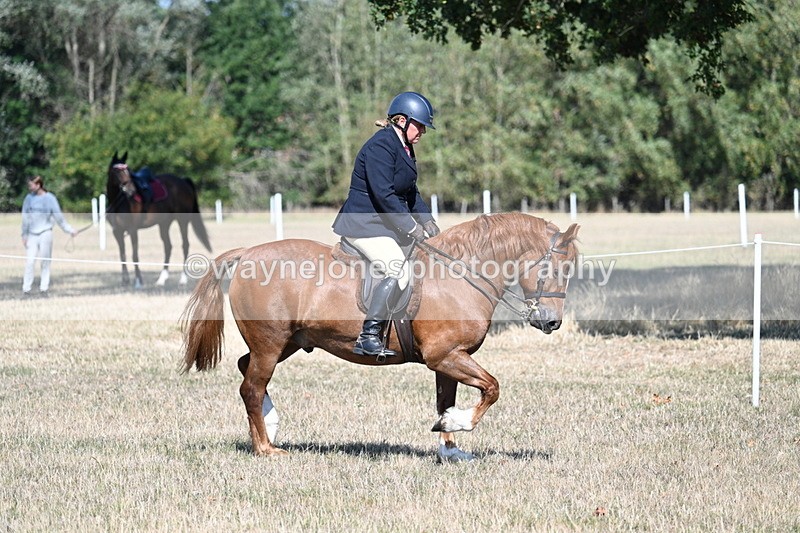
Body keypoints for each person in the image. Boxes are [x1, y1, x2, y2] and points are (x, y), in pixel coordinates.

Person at [332, 91, 441, 357]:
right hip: (364, 225)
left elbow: (410, 192)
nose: (423, 132)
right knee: (398, 271)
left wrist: (429, 224)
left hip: (383, 225)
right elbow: (385, 195)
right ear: (402, 121)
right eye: (420, 125)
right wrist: (412, 227)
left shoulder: (403, 146)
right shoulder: (380, 146)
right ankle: (368, 335)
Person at [21, 176, 77, 297]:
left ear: (38, 185)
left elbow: (59, 217)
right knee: (30, 262)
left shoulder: (50, 198)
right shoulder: (28, 199)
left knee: (45, 262)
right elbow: (25, 218)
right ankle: (26, 289)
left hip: (46, 232)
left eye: (31, 185)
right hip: (32, 234)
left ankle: (44, 289)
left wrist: (69, 230)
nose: (29, 188)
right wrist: (24, 235)